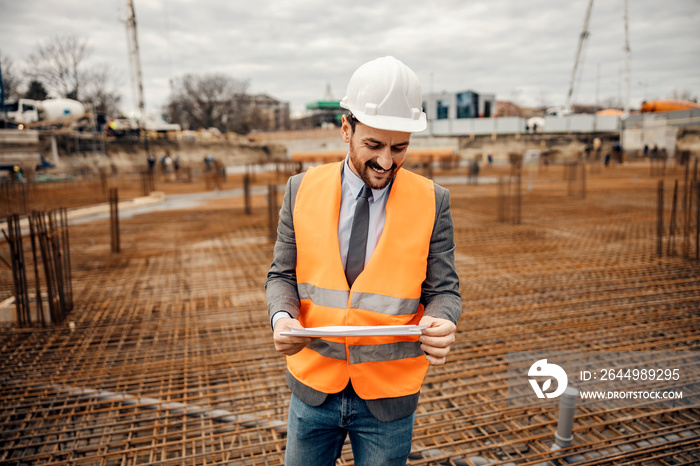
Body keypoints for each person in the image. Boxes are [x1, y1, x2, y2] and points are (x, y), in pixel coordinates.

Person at [265, 56, 462, 465]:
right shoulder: (300, 190)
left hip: (388, 401)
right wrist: (281, 318)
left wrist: (444, 319)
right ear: (345, 129)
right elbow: (281, 275)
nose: (387, 161)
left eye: (400, 147)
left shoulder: (433, 201)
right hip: (313, 391)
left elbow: (443, 289)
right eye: (373, 145)